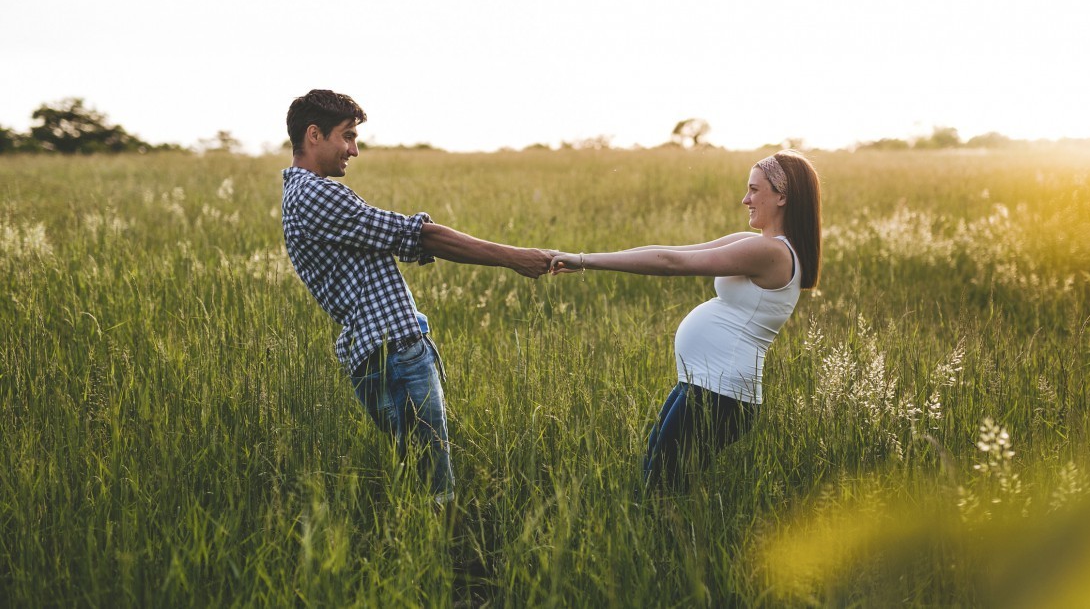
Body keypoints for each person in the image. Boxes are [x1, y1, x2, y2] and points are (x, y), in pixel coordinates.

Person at [281, 89, 554, 505]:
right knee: (435, 491)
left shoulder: (304, 194)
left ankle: (434, 558)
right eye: (347, 136)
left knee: (424, 478)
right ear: (314, 135)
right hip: (392, 355)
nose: (354, 150)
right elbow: (417, 235)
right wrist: (515, 257)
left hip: (389, 352)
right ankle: (446, 565)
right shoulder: (315, 194)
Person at [551, 149, 821, 490]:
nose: (745, 199)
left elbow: (672, 265)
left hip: (721, 392)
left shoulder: (770, 252)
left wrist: (584, 261)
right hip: (704, 384)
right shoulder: (757, 244)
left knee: (659, 489)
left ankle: (664, 543)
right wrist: (583, 258)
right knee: (655, 476)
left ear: (782, 196)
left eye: (754, 190)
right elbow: (675, 252)